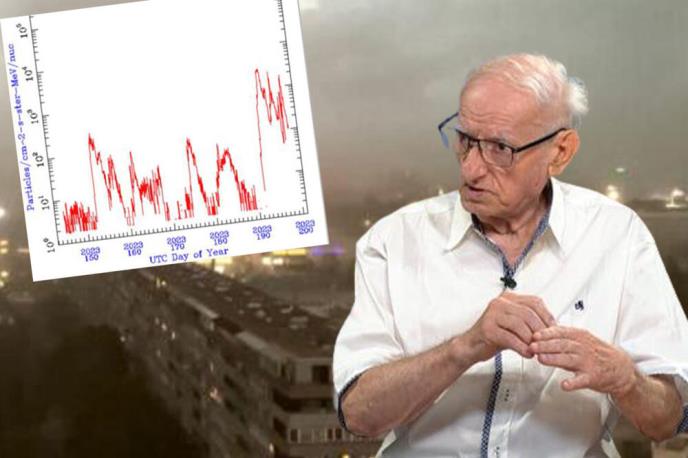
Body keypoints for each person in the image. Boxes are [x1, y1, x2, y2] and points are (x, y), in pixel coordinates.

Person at [331, 53, 688, 457]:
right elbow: (358, 415)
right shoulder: (393, 240)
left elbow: (668, 421)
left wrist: (626, 381)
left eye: (500, 148)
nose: (471, 169)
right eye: (465, 141)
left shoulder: (618, 236)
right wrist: (464, 348)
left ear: (561, 151)